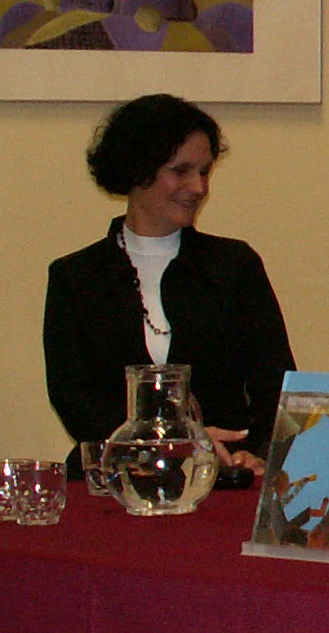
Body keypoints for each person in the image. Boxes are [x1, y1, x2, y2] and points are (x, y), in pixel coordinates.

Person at [45, 93, 295, 477]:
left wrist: (258, 453)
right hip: (116, 478)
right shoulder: (76, 277)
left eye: (204, 172)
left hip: (223, 475)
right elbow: (76, 401)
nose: (198, 187)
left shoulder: (235, 266)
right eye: (180, 171)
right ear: (136, 171)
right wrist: (170, 446)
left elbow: (276, 384)